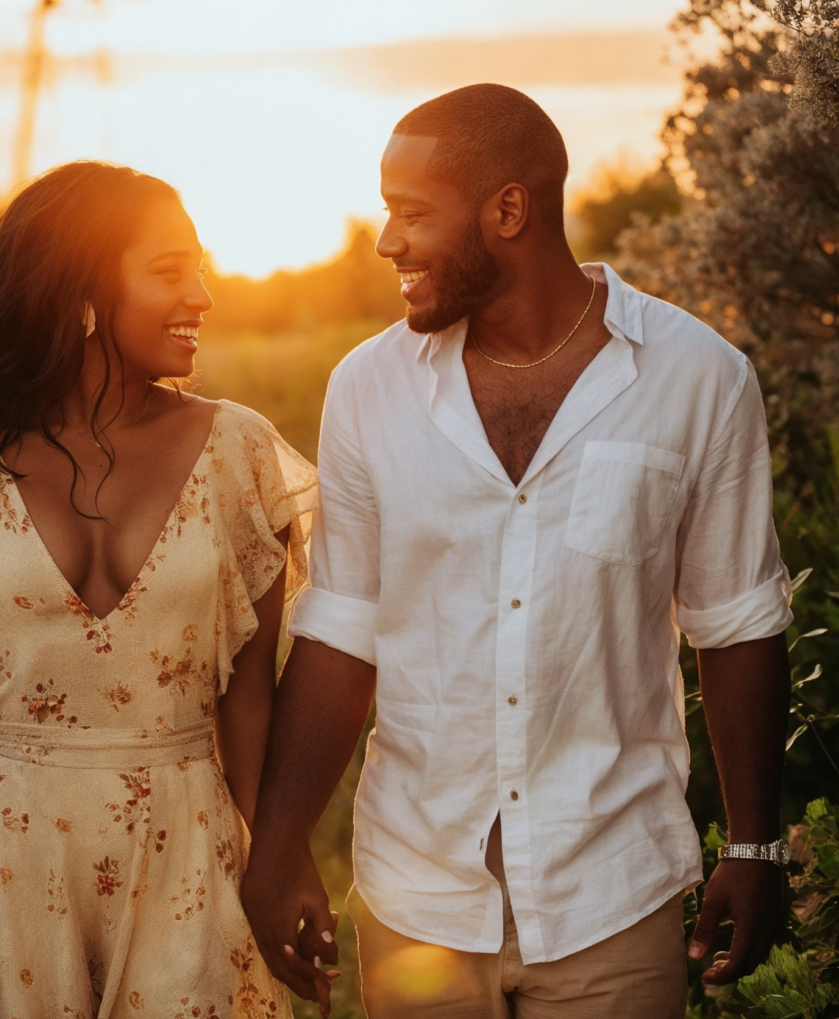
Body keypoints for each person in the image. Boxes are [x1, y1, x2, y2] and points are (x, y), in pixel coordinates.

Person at [241, 84, 793, 1019]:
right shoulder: (368, 389)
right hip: (418, 894)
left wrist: (754, 845)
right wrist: (281, 843)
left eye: (411, 212)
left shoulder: (699, 379)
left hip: (612, 894)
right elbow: (340, 629)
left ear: (508, 209)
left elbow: (736, 620)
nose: (387, 241)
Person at [0, 161, 315, 1019]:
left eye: (201, 265)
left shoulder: (240, 453)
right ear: (82, 289)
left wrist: (281, 862)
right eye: (168, 270)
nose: (202, 293)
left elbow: (251, 696)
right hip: (6, 863)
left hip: (189, 858)